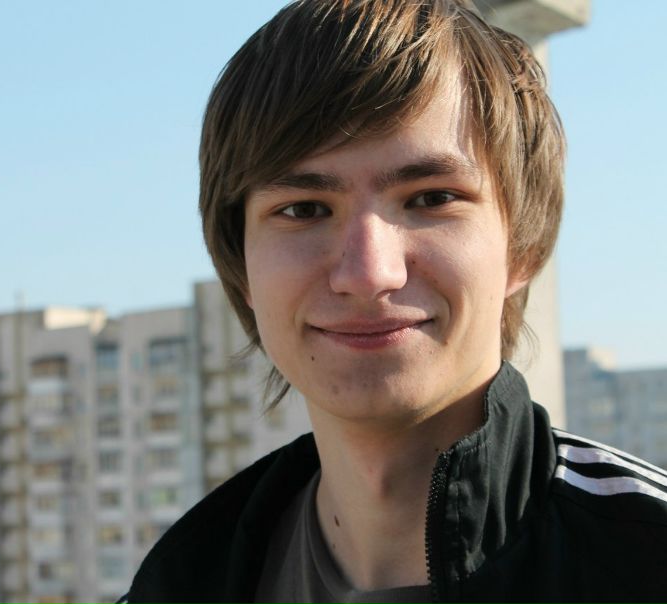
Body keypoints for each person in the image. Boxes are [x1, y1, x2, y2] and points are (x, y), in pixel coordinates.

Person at [122, 0, 667, 602]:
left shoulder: (644, 556)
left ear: (524, 247)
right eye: (304, 209)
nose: (368, 273)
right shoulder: (176, 583)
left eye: (431, 199)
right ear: (241, 262)